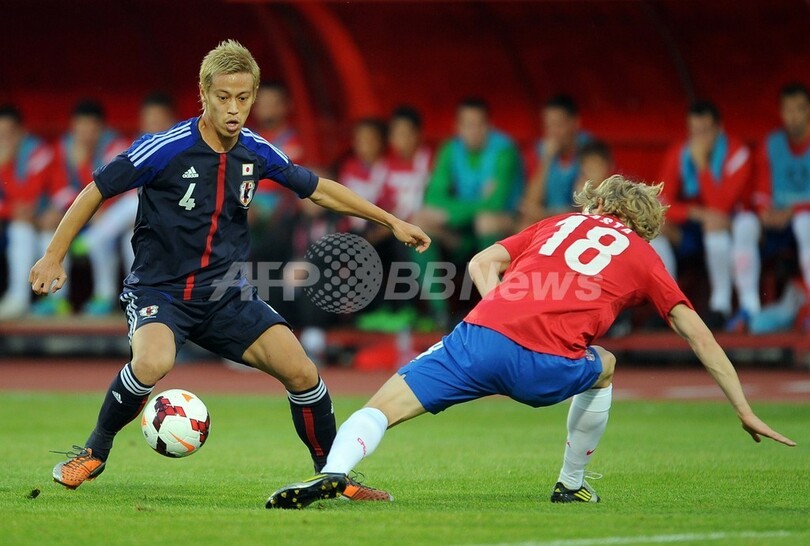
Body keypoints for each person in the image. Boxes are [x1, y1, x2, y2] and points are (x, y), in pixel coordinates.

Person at [31, 40, 430, 500]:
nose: (234, 108)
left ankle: (332, 476)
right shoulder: (165, 148)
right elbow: (96, 190)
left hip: (226, 295)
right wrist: (54, 255)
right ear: (204, 94)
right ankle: (94, 451)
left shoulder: (257, 151)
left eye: (243, 97)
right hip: (161, 292)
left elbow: (319, 189)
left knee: (303, 372)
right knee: (153, 362)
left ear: (254, 96)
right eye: (223, 97)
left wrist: (391, 220)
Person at [266, 175, 795, 510]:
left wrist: (501, 310)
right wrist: (743, 407)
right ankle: (571, 483)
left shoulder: (558, 223)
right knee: (606, 364)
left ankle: (333, 473)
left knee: (380, 408)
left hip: (479, 340)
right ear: (644, 222)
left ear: (597, 202)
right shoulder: (642, 255)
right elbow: (697, 332)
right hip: (545, 367)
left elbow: (481, 262)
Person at [410, 97, 522, 325]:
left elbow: (496, 203)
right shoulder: (450, 149)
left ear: (489, 126)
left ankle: (491, 311)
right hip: (461, 231)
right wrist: (463, 210)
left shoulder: (504, 150)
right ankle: (439, 314)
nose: (473, 131)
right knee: (418, 221)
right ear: (458, 127)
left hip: (503, 226)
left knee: (485, 221)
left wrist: (450, 213)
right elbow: (433, 197)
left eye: (478, 124)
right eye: (467, 125)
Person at [72, 93, 178, 315]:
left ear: (172, 120)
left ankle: (94, 237)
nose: (154, 126)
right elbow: (112, 184)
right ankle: (112, 296)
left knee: (132, 203)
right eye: (149, 120)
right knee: (131, 233)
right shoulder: (139, 146)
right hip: (133, 218)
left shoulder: (183, 146)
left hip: (173, 217)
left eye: (159, 120)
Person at [651, 101, 753, 327]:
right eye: (694, 131)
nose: (699, 138)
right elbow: (661, 202)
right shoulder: (679, 152)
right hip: (692, 225)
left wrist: (703, 167)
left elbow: (720, 207)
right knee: (656, 229)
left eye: (705, 131)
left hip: (731, 227)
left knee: (714, 227)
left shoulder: (737, 153)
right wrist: (694, 213)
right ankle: (668, 307)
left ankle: (720, 306)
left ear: (719, 128)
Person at [32, 100, 129, 316]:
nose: (86, 133)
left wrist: (83, 164)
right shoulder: (62, 147)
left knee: (104, 232)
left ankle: (104, 297)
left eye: (91, 127)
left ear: (101, 128)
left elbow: (118, 188)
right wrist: (74, 210)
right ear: (73, 126)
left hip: (108, 216)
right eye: (81, 126)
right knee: (49, 229)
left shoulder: (116, 146)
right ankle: (56, 300)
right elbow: (59, 190)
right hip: (80, 216)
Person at [734, 83, 810, 332]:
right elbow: (761, 189)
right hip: (776, 221)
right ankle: (749, 306)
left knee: (804, 222)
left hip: (802, 220)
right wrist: (764, 210)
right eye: (788, 110)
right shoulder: (772, 142)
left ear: (808, 110)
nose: (793, 116)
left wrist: (795, 209)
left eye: (799, 109)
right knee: (744, 224)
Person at [0, 105, 53, 319]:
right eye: (0, 135)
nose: (4, 140)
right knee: (20, 229)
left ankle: (54, 302)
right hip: (12, 223)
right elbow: (17, 209)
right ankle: (18, 299)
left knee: (39, 234)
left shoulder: (39, 151)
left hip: (43, 220)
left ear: (21, 132)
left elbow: (28, 198)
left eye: (9, 134)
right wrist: (10, 210)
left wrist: (4, 166)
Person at [519, 95, 591, 228]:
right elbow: (531, 202)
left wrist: (546, 215)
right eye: (548, 126)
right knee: (525, 225)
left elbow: (588, 209)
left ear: (575, 123)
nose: (553, 132)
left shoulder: (590, 150)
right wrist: (547, 159)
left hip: (578, 223)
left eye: (558, 125)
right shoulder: (540, 150)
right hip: (548, 219)